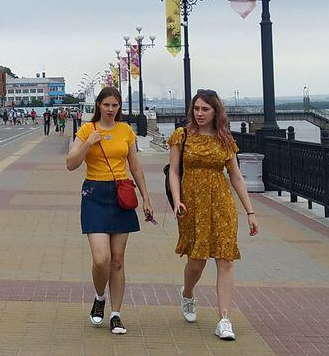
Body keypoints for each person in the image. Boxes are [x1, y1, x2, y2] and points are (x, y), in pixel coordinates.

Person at [167, 89, 259, 341]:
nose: (199, 113)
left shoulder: (225, 140)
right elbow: (174, 172)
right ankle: (187, 293)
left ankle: (224, 319)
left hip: (221, 204)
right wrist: (177, 200)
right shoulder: (181, 136)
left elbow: (236, 176)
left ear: (215, 111)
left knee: (226, 259)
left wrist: (250, 211)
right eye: (196, 108)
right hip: (191, 205)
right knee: (196, 261)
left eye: (205, 109)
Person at [66, 87, 153, 335]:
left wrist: (146, 197)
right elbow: (70, 164)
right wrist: (87, 145)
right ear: (98, 105)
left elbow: (135, 166)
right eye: (107, 105)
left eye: (115, 105)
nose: (111, 109)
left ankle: (116, 314)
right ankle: (99, 296)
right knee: (100, 259)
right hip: (94, 195)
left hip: (121, 195)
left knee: (117, 261)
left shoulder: (126, 131)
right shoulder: (87, 130)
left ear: (119, 107)